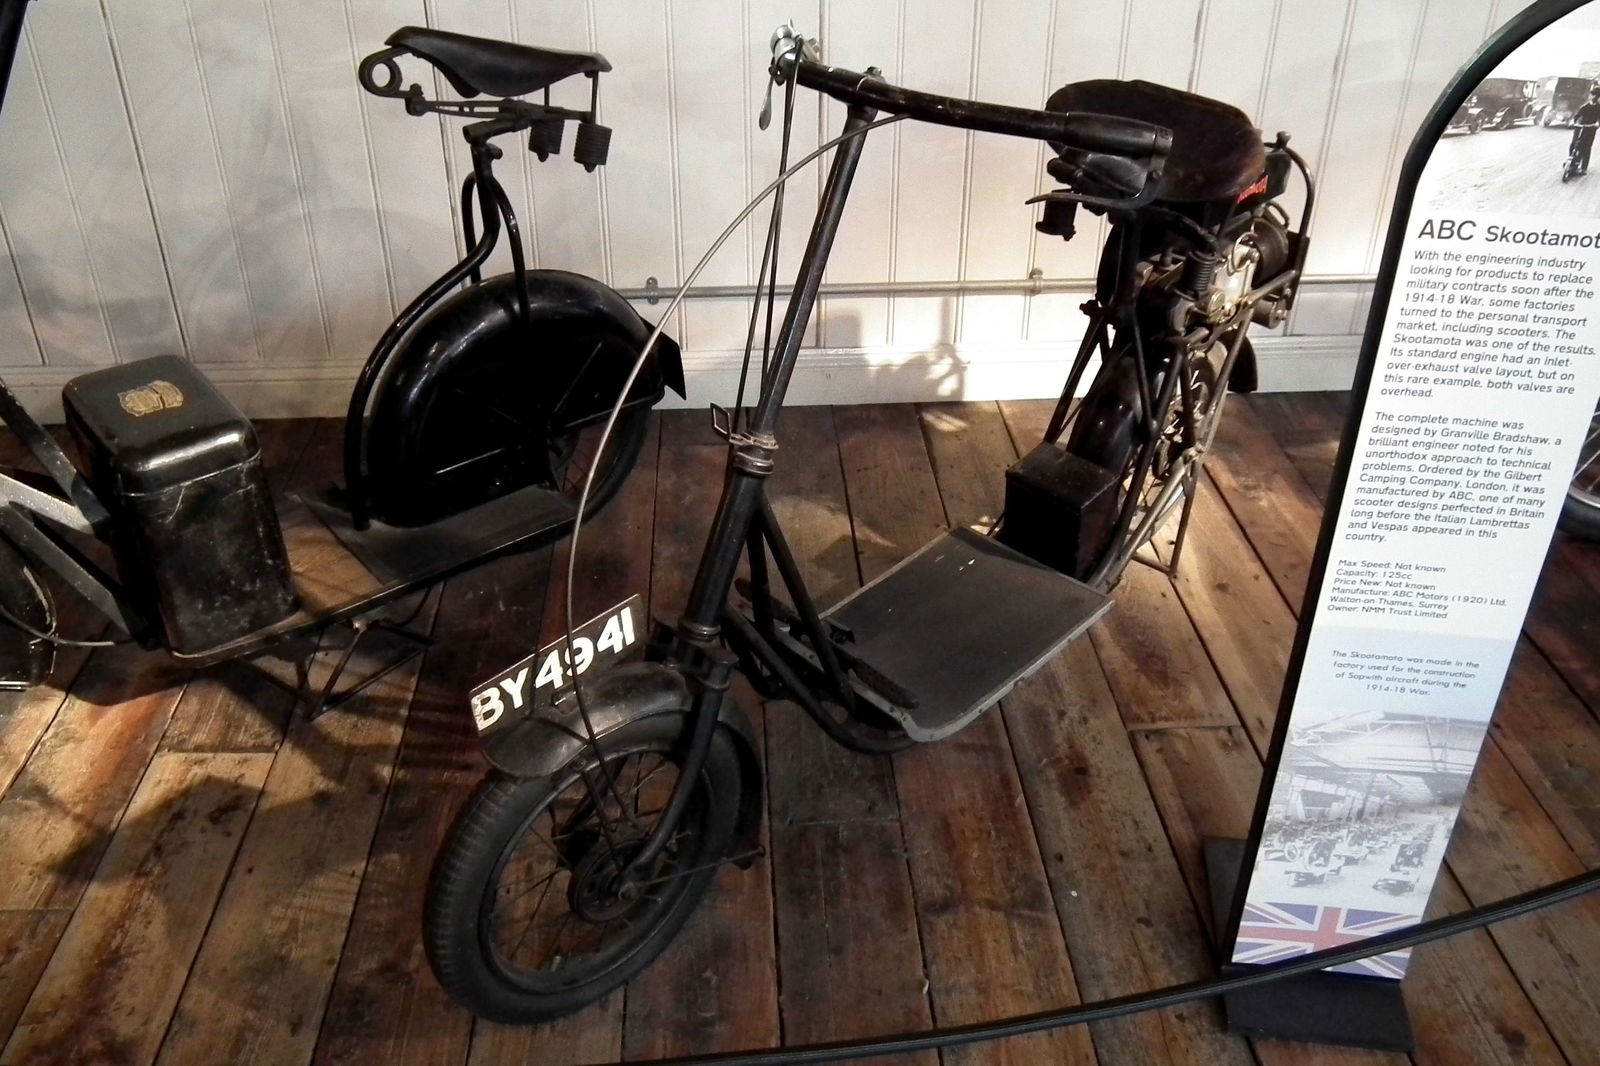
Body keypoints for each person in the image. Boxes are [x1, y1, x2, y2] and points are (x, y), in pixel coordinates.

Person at [1572, 86, 1600, 175]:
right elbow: (1577, 115)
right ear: (1591, 95)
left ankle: (1584, 168)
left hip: (1591, 129)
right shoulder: (1585, 106)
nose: (1594, 97)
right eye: (1593, 95)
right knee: (1576, 144)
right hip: (1581, 127)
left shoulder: (1599, 108)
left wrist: (1597, 123)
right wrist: (1575, 122)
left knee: (1587, 147)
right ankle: (1573, 162)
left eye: (1597, 96)